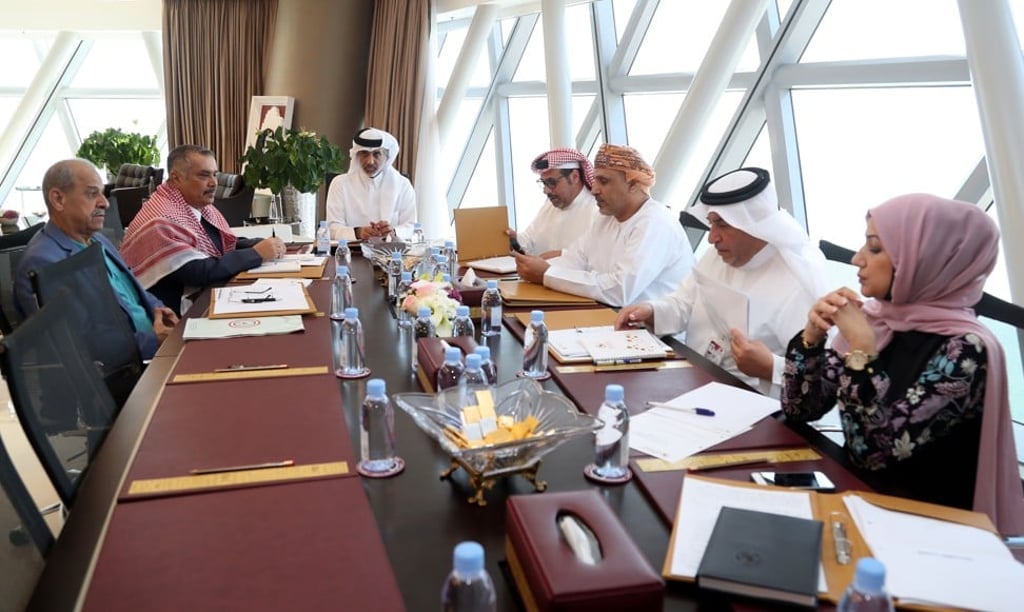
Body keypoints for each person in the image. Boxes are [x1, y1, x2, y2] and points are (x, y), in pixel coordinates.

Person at [782, 194, 1024, 535]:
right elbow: (800, 408)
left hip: (928, 529)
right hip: (862, 500)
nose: (857, 259)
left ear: (922, 259)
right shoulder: (879, 319)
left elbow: (874, 451)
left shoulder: (967, 349)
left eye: (875, 248)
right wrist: (812, 337)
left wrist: (862, 350)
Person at [615, 167, 828, 395]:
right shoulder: (718, 255)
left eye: (723, 224)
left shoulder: (797, 282)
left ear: (755, 226)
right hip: (696, 378)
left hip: (758, 402)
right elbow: (684, 303)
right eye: (711, 223)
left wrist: (769, 368)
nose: (711, 237)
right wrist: (651, 311)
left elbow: (819, 378)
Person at [14, 159, 178, 359]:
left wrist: (160, 309)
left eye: (102, 193)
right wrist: (153, 340)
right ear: (58, 199)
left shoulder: (98, 239)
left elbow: (133, 292)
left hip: (156, 350)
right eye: (92, 194)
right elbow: (83, 348)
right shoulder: (45, 262)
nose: (105, 202)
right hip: (124, 376)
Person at [512, 144, 693, 307]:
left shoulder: (656, 223)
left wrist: (547, 274)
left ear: (633, 185)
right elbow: (575, 260)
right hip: (611, 317)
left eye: (604, 181)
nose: (594, 189)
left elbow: (620, 290)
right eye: (596, 180)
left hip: (655, 336)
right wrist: (535, 267)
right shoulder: (605, 217)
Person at [120, 145, 284, 315]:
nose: (214, 183)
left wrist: (259, 244)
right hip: (170, 318)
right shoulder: (162, 218)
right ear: (176, 178)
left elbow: (219, 242)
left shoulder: (192, 204)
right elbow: (198, 272)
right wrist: (256, 254)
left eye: (215, 174)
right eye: (204, 175)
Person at [506, 148, 600, 257]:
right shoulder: (549, 206)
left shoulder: (597, 210)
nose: (545, 190)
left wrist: (560, 256)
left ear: (575, 177)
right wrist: (514, 239)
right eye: (544, 183)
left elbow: (598, 258)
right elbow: (529, 241)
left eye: (552, 182)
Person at [325, 127, 416, 240]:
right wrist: (358, 233)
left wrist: (393, 231)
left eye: (377, 154)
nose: (370, 161)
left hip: (392, 254)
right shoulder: (340, 184)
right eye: (364, 153)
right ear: (357, 155)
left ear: (387, 156)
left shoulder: (403, 185)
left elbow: (411, 227)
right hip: (350, 253)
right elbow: (332, 229)